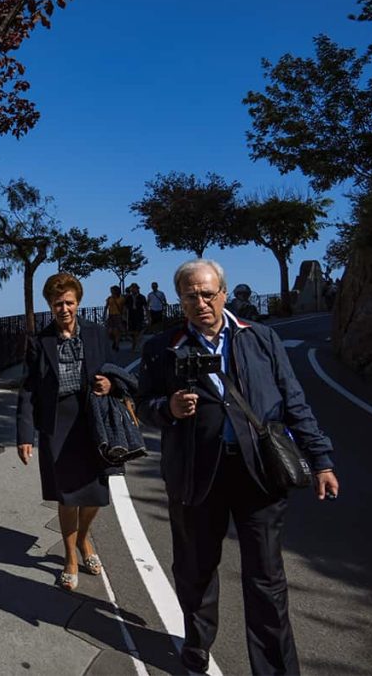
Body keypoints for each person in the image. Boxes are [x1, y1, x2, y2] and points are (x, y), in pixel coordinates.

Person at [137, 259, 339, 675]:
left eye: (208, 293)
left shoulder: (260, 339)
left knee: (267, 580)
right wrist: (168, 408)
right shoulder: (162, 348)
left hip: (258, 475)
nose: (201, 302)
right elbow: (142, 407)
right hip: (195, 477)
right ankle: (196, 652)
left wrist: (320, 460)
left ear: (224, 294)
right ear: (180, 300)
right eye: (191, 295)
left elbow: (293, 401)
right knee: (195, 572)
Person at [17, 273, 114, 591]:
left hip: (92, 421)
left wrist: (109, 384)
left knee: (96, 495)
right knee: (67, 495)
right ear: (50, 305)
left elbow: (110, 370)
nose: (64, 308)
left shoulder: (97, 333)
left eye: (69, 302)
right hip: (56, 424)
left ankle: (84, 539)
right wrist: (24, 434)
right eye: (58, 303)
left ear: (78, 302)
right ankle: (70, 557)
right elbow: (29, 389)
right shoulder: (39, 340)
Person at [124, 283, 148, 350]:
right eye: (132, 288)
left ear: (137, 289)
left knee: (138, 330)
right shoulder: (128, 297)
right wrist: (124, 315)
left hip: (139, 315)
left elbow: (145, 307)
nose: (133, 290)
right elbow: (125, 307)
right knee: (131, 332)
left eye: (134, 288)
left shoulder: (141, 297)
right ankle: (135, 343)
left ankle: (135, 345)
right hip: (131, 315)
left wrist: (148, 316)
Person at [103, 285, 125, 351]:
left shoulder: (121, 299)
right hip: (111, 315)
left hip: (117, 315)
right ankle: (115, 341)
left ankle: (117, 345)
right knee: (110, 331)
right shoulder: (110, 298)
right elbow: (106, 306)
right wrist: (104, 314)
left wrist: (123, 315)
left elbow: (124, 308)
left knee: (116, 331)